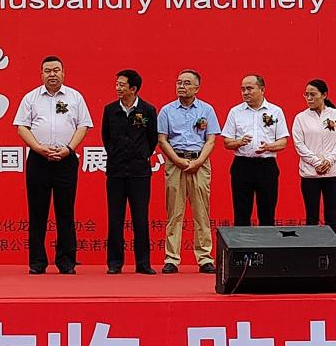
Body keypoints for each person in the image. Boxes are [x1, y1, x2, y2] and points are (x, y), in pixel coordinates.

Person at [14, 56, 93, 274]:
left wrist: (69, 149)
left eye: (56, 70)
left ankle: (66, 262)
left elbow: (83, 126)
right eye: (47, 70)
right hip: (38, 160)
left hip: (66, 159)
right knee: (37, 212)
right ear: (41, 74)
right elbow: (21, 127)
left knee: (65, 211)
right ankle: (37, 262)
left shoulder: (75, 97)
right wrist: (38, 148)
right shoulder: (31, 98)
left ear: (63, 73)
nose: (52, 74)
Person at [156, 69, 220, 274]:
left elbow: (211, 139)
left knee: (202, 212)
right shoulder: (166, 111)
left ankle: (205, 258)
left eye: (186, 83)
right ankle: (171, 258)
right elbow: (162, 140)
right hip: (175, 162)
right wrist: (177, 161)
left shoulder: (206, 109)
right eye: (178, 82)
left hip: (199, 162)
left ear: (197, 88)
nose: (181, 86)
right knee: (174, 212)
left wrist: (199, 161)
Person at [101, 69, 160, 274]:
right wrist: (117, 154)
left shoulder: (147, 110)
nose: (117, 88)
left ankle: (143, 263)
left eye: (122, 84)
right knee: (115, 218)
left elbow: (152, 139)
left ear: (133, 88)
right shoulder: (110, 110)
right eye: (116, 84)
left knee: (140, 218)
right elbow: (106, 138)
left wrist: (139, 155)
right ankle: (115, 263)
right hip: (116, 172)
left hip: (139, 172)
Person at [221, 75, 289, 227]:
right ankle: (242, 243)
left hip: (267, 166)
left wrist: (268, 147)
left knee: (267, 213)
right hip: (242, 165)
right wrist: (239, 142)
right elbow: (226, 142)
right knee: (241, 213)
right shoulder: (235, 112)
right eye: (243, 89)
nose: (245, 92)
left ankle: (267, 243)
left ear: (262, 90)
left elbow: (283, 142)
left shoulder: (275, 111)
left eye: (249, 88)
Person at [290, 79, 336, 233]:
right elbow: (299, 144)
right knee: (312, 216)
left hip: (333, 173)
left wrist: (329, 160)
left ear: (324, 95)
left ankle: (332, 247)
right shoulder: (300, 118)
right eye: (306, 95)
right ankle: (312, 247)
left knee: (331, 215)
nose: (309, 98)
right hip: (310, 174)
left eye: (313, 94)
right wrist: (316, 162)